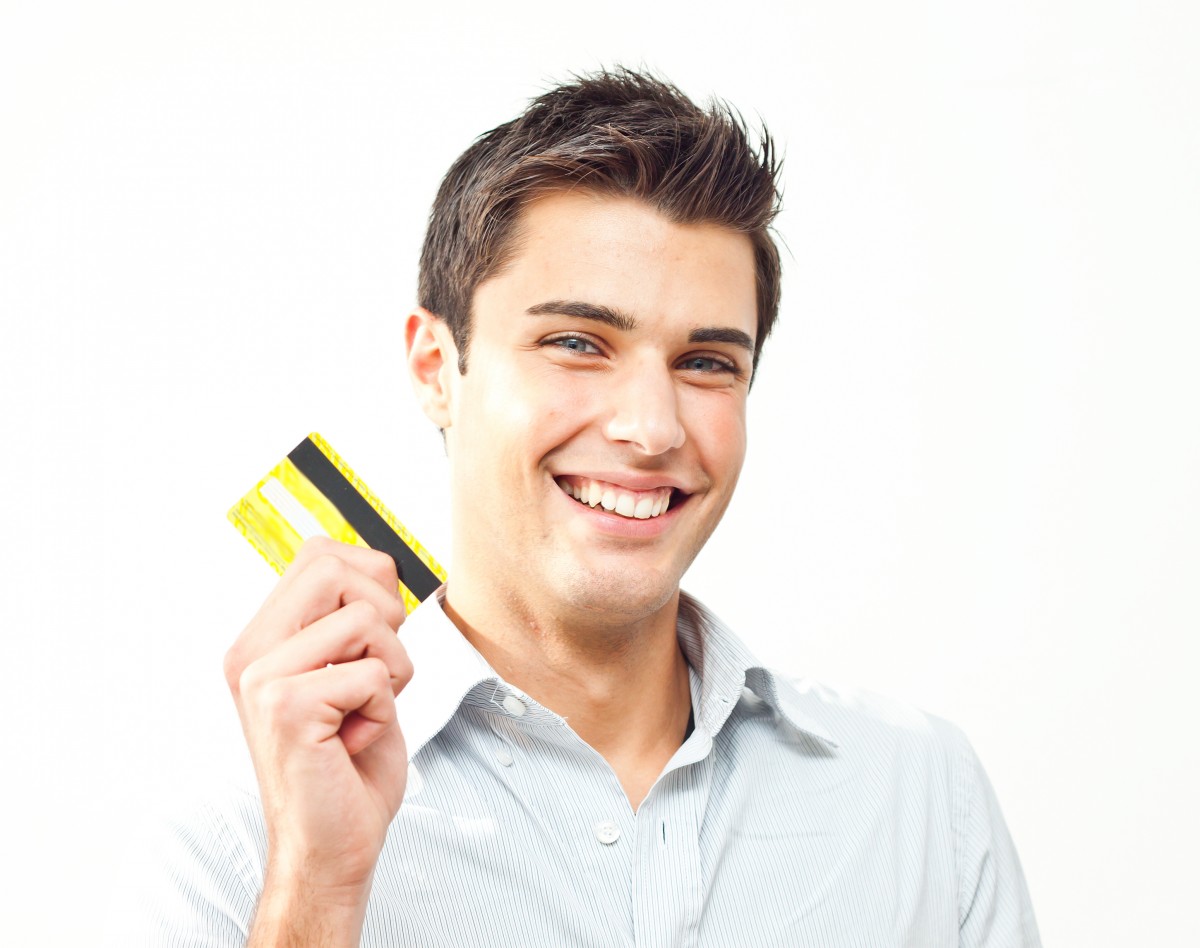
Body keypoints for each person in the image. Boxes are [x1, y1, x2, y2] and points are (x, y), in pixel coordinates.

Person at [141, 68, 1041, 946]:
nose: (651, 429)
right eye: (577, 343)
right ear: (435, 369)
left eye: (707, 362)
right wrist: (317, 892)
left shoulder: (920, 796)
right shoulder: (248, 842)